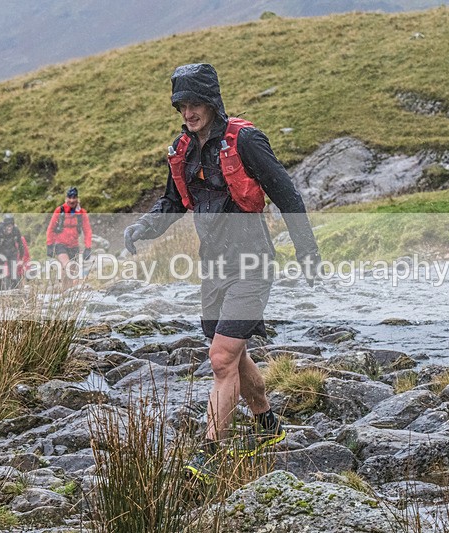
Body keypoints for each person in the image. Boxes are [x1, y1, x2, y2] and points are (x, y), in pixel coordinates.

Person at [123, 63, 321, 482]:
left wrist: (307, 251)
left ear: (212, 102)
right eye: (182, 104)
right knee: (232, 351)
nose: (188, 112)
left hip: (252, 262)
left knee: (220, 358)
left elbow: (286, 194)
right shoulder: (182, 149)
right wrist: (144, 227)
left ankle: (211, 454)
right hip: (213, 265)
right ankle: (268, 426)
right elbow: (173, 201)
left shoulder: (245, 140)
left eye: (195, 103)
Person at [46, 187, 93, 286]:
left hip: (74, 245)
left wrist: (88, 247)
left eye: (74, 197)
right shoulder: (60, 210)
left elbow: (87, 231)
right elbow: (51, 228)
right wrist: (49, 245)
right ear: (66, 198)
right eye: (69, 197)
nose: (72, 200)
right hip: (60, 244)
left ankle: (67, 293)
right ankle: (64, 291)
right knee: (67, 265)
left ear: (77, 198)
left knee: (71, 271)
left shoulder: (81, 213)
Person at [0, 213, 25, 290]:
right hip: (0, 254)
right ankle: (0, 292)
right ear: (4, 225)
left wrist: (21, 257)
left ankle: (16, 291)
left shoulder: (16, 230)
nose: (9, 228)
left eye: (11, 226)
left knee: (14, 274)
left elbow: (20, 244)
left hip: (12, 253)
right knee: (0, 275)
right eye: (7, 226)